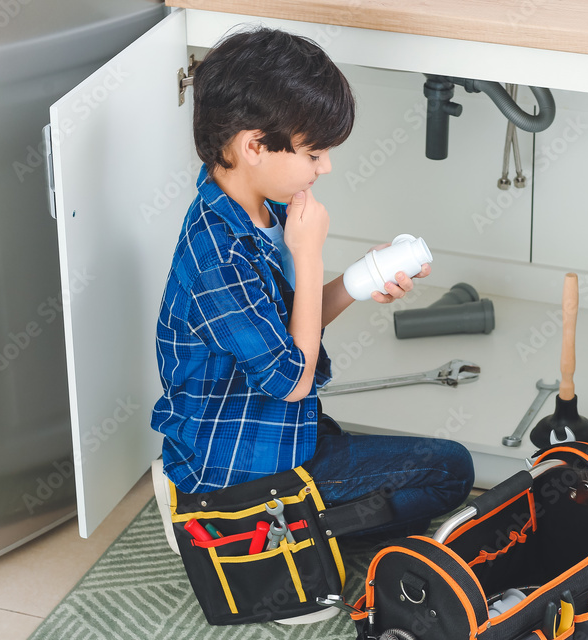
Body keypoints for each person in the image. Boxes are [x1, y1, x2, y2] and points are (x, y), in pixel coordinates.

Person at [150, 28, 474, 545]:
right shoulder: (218, 257)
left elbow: (288, 321)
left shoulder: (255, 210)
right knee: (451, 471)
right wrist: (308, 254)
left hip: (268, 431)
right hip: (241, 469)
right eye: (314, 153)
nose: (326, 167)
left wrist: (357, 281)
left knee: (399, 471)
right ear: (254, 145)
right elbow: (292, 381)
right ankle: (247, 530)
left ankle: (290, 528)